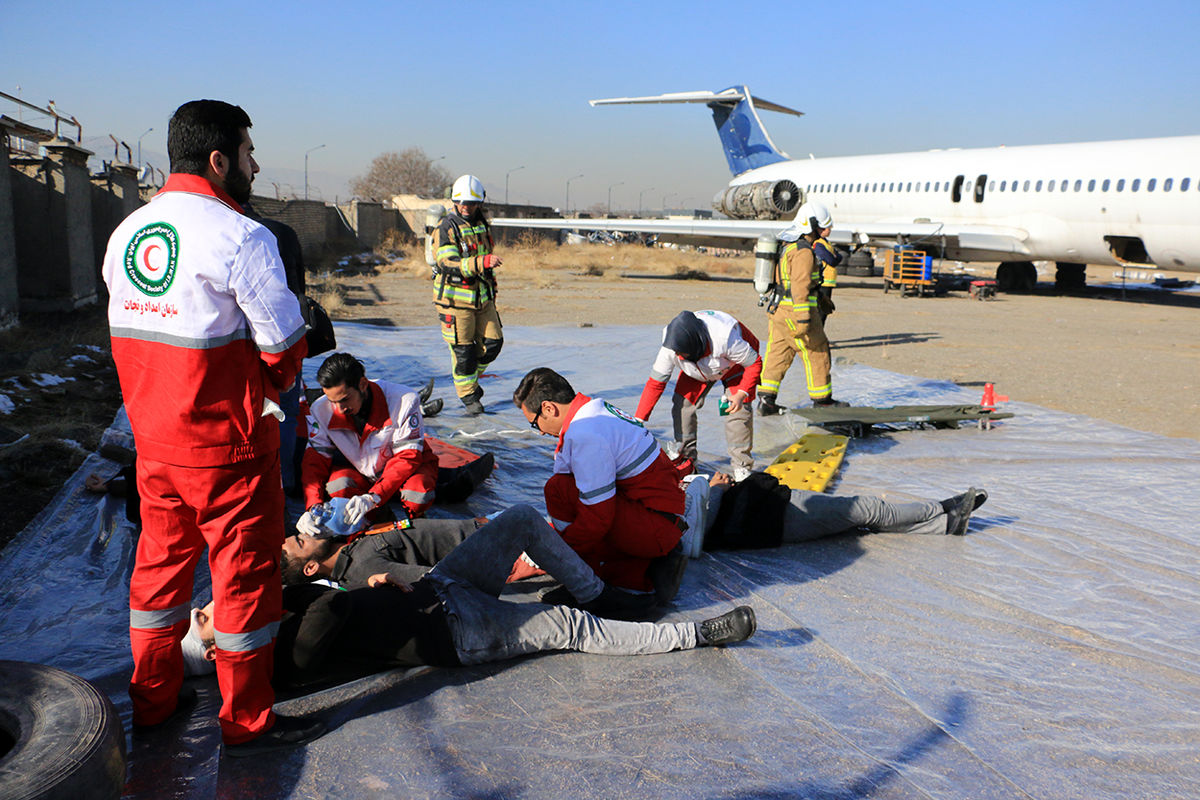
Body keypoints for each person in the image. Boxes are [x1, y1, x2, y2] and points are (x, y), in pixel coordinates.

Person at [100, 99, 323, 754]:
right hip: (228, 452)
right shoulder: (243, 238)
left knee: (158, 582)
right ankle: (246, 722)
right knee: (244, 587)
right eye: (249, 154)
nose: (255, 167)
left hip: (156, 449)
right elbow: (284, 347)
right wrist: (273, 387)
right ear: (220, 159)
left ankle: (154, 701)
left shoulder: (127, 234)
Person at [183, 504, 756, 697]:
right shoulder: (276, 661)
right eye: (206, 620)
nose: (214, 606)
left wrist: (369, 584)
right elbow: (326, 615)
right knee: (568, 626)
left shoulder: (294, 599)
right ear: (214, 653)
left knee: (523, 519)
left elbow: (337, 600)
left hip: (440, 589)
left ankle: (604, 596)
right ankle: (696, 634)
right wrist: (285, 599)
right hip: (459, 632)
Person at [513, 367, 688, 602]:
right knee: (576, 503)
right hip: (662, 516)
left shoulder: (585, 434)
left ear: (548, 408)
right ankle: (641, 568)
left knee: (559, 490)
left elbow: (597, 518)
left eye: (535, 424)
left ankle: (582, 580)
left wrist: (555, 553)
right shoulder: (595, 409)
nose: (542, 433)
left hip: (655, 528)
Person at [684, 470, 988, 555]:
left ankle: (947, 524)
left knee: (856, 523)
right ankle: (942, 507)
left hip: (770, 509)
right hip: (776, 515)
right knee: (868, 509)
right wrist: (716, 489)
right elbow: (698, 529)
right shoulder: (667, 520)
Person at [299, 353, 440, 530]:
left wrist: (374, 497)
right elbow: (314, 461)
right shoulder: (320, 409)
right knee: (339, 487)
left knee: (417, 494)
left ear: (363, 385)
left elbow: (406, 458)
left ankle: (417, 520)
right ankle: (376, 521)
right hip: (364, 471)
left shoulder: (404, 400)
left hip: (408, 467)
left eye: (344, 400)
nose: (339, 409)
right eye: (332, 401)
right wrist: (313, 506)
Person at [635, 310, 762, 481]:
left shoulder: (726, 339)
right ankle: (687, 460)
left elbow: (754, 363)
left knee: (736, 410)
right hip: (697, 369)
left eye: (683, 355)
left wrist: (741, 393)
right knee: (682, 404)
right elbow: (655, 384)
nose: (678, 357)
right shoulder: (671, 347)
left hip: (736, 364)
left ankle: (742, 467)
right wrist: (638, 420)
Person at [759, 201, 846, 415]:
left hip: (779, 311)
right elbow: (799, 286)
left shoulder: (788, 245)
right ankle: (823, 401)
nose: (828, 231)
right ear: (811, 225)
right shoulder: (804, 252)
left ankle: (766, 400)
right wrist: (804, 318)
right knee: (817, 352)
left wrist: (822, 302)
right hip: (795, 312)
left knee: (778, 354)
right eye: (823, 227)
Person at [432, 175, 503, 415]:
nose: (465, 207)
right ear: (454, 201)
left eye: (471, 203)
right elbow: (447, 262)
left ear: (479, 203)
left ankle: (471, 377)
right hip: (455, 302)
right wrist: (480, 262)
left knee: (493, 343)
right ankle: (469, 396)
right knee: (463, 352)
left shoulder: (481, 223)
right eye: (461, 202)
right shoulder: (447, 227)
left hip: (482, 298)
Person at [813, 234, 840, 326]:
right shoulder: (819, 244)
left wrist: (834, 257)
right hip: (823, 281)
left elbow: (839, 256)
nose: (829, 230)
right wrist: (834, 257)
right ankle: (817, 336)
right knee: (821, 311)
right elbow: (831, 260)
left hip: (829, 281)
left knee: (824, 311)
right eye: (827, 228)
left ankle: (819, 335)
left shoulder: (826, 242)